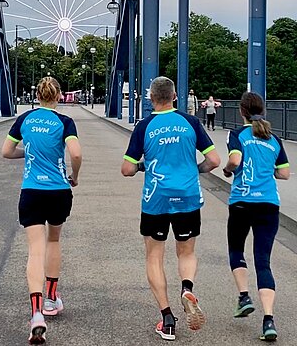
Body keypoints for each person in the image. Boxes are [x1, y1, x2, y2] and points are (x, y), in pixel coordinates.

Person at [121, 76, 220, 341]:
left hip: (156, 199)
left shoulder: (145, 126)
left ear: (151, 98)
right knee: (186, 252)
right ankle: (187, 288)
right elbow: (214, 160)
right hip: (187, 196)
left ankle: (166, 318)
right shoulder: (191, 122)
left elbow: (127, 169)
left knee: (154, 256)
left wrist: (143, 165)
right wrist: (194, 170)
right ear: (175, 97)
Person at [2, 77, 82, 345]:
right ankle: (51, 298)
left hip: (32, 191)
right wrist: (75, 175)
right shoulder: (65, 122)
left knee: (35, 251)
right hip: (58, 191)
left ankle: (37, 315)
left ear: (37, 95)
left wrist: (30, 153)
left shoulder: (24, 119)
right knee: (54, 240)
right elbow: (77, 153)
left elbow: (6, 151)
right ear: (58, 95)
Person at [223, 92, 290, 342]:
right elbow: (284, 174)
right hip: (268, 205)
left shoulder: (237, 135)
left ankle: (244, 297)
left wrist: (229, 170)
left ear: (242, 112)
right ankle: (269, 320)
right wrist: (267, 169)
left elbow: (235, 159)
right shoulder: (274, 139)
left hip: (242, 202)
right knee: (263, 261)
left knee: (236, 251)